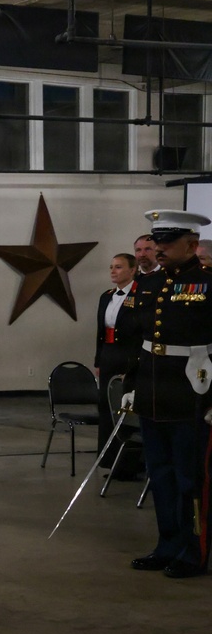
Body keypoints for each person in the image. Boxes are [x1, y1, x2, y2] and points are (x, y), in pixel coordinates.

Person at [122, 210, 212, 579]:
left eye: (167, 242)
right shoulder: (148, 284)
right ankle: (167, 545)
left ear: (191, 245)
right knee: (160, 475)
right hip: (153, 389)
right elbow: (136, 342)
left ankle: (195, 551)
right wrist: (131, 385)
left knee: (192, 477)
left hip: (193, 389)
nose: (158, 248)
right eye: (156, 241)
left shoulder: (207, 284)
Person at [93, 252, 144, 476]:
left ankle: (128, 465)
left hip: (129, 355)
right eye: (111, 267)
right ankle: (108, 460)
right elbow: (100, 332)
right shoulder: (107, 296)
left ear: (133, 270)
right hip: (109, 354)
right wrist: (98, 360)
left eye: (119, 267)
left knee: (126, 407)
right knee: (106, 407)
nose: (113, 271)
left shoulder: (141, 294)